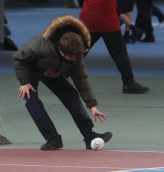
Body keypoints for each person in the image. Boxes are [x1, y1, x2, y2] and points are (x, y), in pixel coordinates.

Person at [13, 15, 112, 150]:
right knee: (32, 103)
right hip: (31, 73)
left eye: (74, 58)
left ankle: (89, 136)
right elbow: (18, 57)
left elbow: (81, 79)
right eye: (68, 57)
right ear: (60, 50)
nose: (72, 60)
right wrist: (24, 81)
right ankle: (52, 138)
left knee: (72, 96)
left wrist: (92, 105)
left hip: (53, 73)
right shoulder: (40, 46)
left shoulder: (76, 54)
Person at [79, 0, 151, 94]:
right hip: (105, 18)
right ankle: (129, 83)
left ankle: (58, 74)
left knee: (80, 49)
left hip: (89, 17)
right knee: (119, 51)